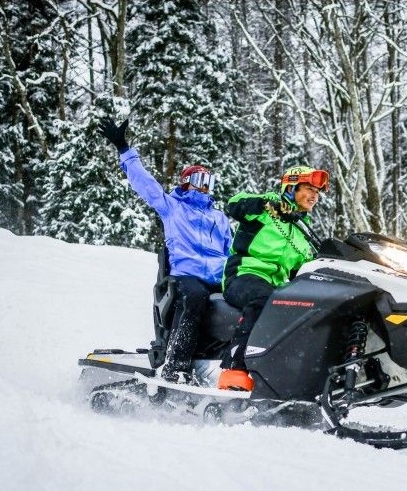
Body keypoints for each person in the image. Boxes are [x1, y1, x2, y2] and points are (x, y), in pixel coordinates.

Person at [97, 117, 232, 384]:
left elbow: (232, 251)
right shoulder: (173, 207)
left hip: (220, 278)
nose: (204, 187)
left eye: (208, 182)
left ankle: (231, 363)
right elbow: (145, 185)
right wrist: (124, 149)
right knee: (194, 298)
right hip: (188, 275)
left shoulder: (220, 218)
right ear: (186, 182)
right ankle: (176, 365)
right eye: (198, 180)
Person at [217, 165, 329, 391]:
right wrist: (265, 204)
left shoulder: (302, 230)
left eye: (317, 192)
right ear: (291, 187)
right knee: (265, 301)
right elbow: (235, 204)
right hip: (244, 274)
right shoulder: (267, 206)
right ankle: (235, 369)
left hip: (278, 286)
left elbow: (304, 268)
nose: (314, 196)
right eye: (309, 189)